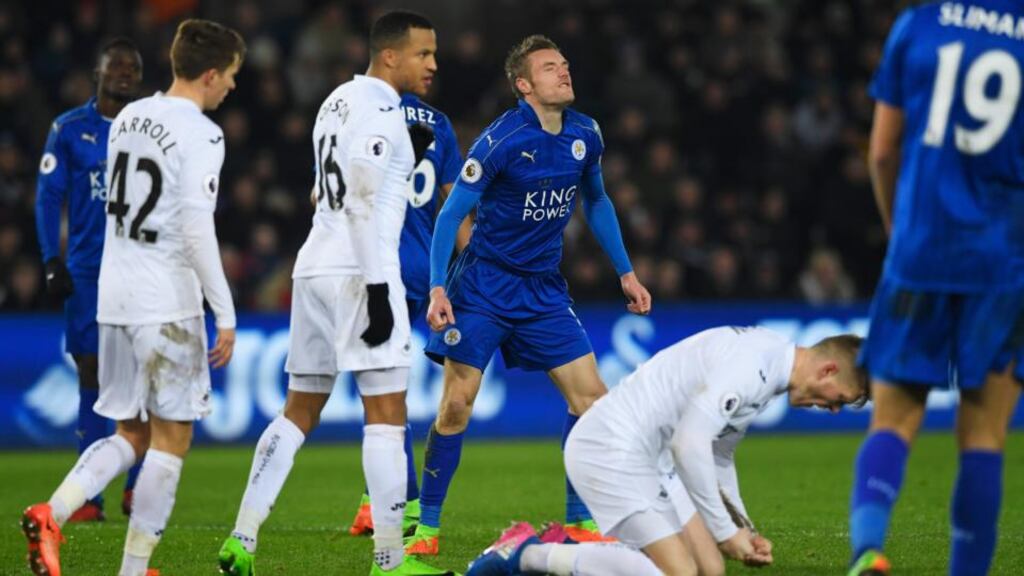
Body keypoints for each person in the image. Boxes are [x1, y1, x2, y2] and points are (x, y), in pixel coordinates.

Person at [217, 12, 454, 576]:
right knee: (387, 414)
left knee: (298, 410)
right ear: (391, 55)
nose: (433, 65)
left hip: (313, 268)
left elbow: (331, 184)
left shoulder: (336, 101)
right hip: (360, 269)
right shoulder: (381, 110)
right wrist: (377, 290)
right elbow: (362, 202)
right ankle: (391, 562)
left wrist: (404, 152)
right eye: (423, 54)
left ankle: (240, 541)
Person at [409, 34, 653, 555]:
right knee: (456, 404)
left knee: (593, 403)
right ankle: (426, 528)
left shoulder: (586, 133)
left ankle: (579, 521)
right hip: (483, 285)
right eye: (549, 68)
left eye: (564, 64)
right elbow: (451, 214)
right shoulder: (499, 141)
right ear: (524, 85)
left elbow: (598, 201)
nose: (563, 72)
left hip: (542, 290)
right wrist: (436, 286)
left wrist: (625, 273)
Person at [21, 18, 243, 576]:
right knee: (173, 438)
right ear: (211, 73)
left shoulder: (129, 119)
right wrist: (226, 311)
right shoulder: (202, 133)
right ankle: (133, 567)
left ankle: (54, 511)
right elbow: (196, 229)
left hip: (113, 300)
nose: (232, 88)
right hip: (166, 301)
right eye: (232, 76)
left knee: (130, 433)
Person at [848, 2, 1024, 575]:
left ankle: (867, 550)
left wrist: (901, 235)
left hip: (920, 250)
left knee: (893, 421)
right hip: (1001, 263)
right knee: (984, 437)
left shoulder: (919, 24)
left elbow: (880, 152)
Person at [466, 327, 868, 576]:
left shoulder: (771, 366)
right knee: (678, 574)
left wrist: (744, 527)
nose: (832, 409)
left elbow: (717, 456)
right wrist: (726, 533)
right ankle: (529, 554)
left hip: (651, 457)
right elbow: (689, 442)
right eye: (839, 399)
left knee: (710, 569)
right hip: (610, 447)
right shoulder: (755, 366)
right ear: (828, 370)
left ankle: (571, 551)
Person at [347, 90, 471, 537]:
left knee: (381, 388)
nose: (432, 64)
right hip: (426, 266)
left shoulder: (359, 108)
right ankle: (372, 499)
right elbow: (454, 203)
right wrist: (472, 268)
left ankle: (408, 501)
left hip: (381, 268)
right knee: (384, 385)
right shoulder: (438, 119)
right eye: (425, 53)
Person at [34, 37, 145, 522]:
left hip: (142, 267)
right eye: (114, 65)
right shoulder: (69, 129)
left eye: (132, 67)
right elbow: (46, 197)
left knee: (146, 374)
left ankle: (138, 489)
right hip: (88, 268)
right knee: (91, 372)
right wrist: (49, 258)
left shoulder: (150, 127)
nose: (123, 72)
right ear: (96, 74)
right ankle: (89, 499)